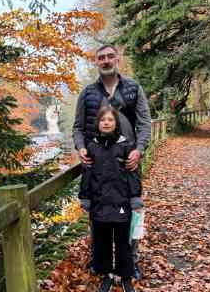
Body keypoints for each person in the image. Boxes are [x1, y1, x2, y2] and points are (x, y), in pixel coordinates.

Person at [73, 44, 151, 280]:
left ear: (117, 59)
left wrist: (139, 149)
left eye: (109, 56)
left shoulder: (133, 89)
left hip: (128, 164)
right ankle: (102, 264)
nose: (106, 60)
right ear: (96, 62)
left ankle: (130, 262)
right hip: (96, 167)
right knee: (99, 217)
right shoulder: (87, 93)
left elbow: (145, 123)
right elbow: (77, 127)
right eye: (101, 58)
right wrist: (81, 147)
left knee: (132, 214)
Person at [79, 106, 143, 292]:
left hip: (121, 201)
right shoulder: (91, 147)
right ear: (98, 124)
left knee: (123, 242)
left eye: (110, 120)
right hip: (99, 203)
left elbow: (133, 174)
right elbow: (87, 174)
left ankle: (125, 276)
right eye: (103, 120)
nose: (106, 122)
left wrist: (135, 197)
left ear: (116, 124)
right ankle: (106, 275)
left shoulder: (125, 145)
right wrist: (85, 198)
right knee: (102, 241)